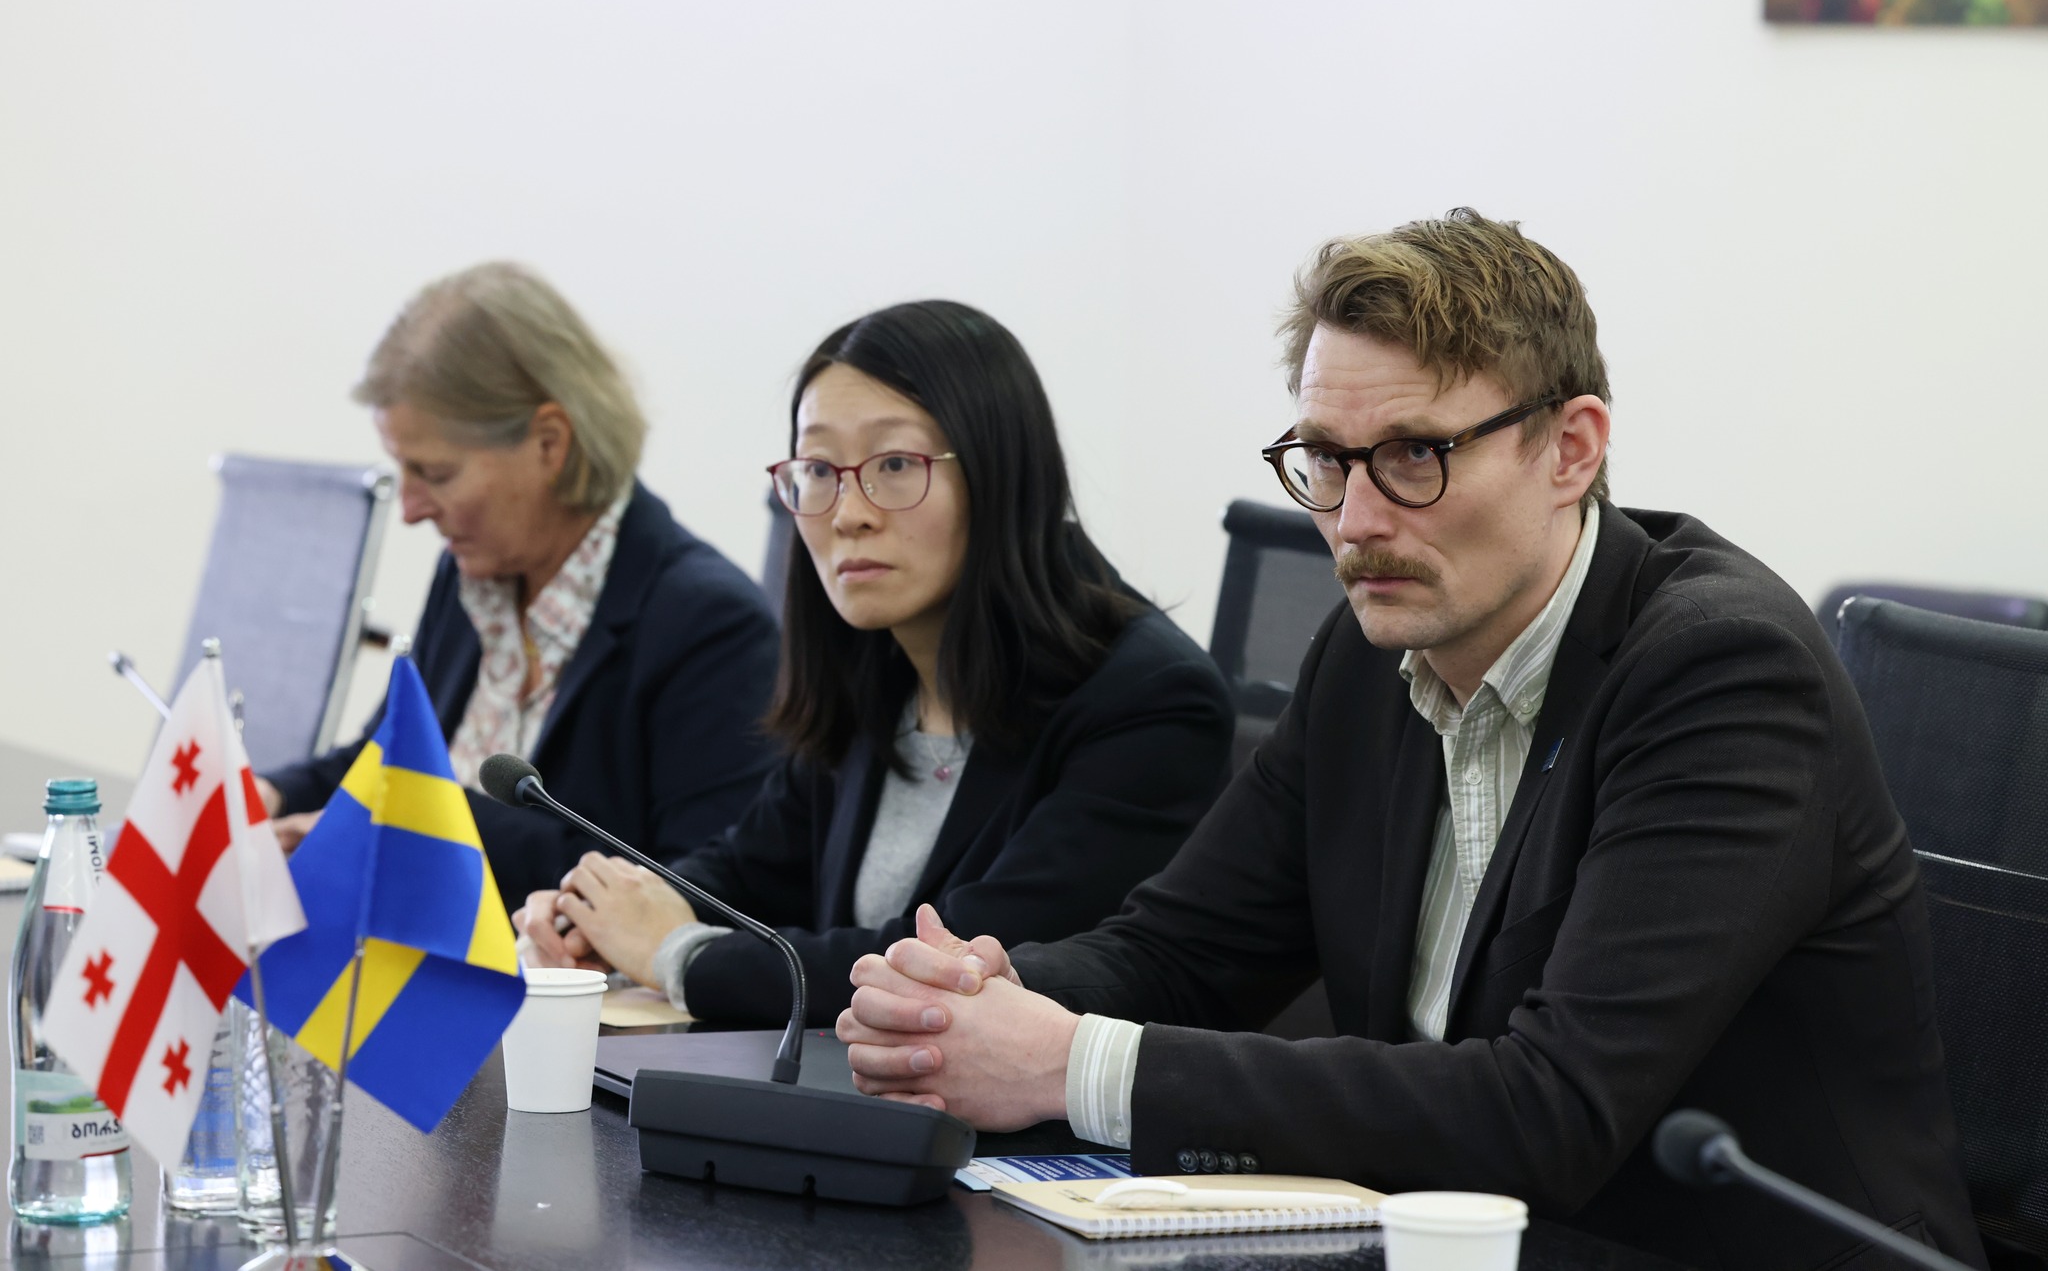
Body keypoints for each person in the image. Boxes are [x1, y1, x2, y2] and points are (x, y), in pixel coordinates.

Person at [835, 213, 1986, 1271]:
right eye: (1325, 460)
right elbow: (1182, 951)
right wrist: (972, 998)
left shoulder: (1719, 671)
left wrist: (1067, 1061)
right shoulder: (1369, 649)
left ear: (1570, 447)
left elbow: (1549, 1108)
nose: (1356, 521)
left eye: (1414, 456)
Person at [517, 300, 1235, 1027]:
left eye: (894, 465)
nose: (847, 513)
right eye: (819, 469)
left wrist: (678, 954)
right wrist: (602, 916)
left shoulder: (1149, 703)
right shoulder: (876, 656)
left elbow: (958, 970)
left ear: (999, 474)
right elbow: (751, 867)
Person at [259, 262, 782, 905]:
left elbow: (699, 893)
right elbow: (384, 760)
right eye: (403, 470)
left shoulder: (711, 625)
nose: (411, 509)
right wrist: (272, 794)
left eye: (437, 474)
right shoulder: (472, 572)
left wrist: (431, 825)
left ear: (549, 443)